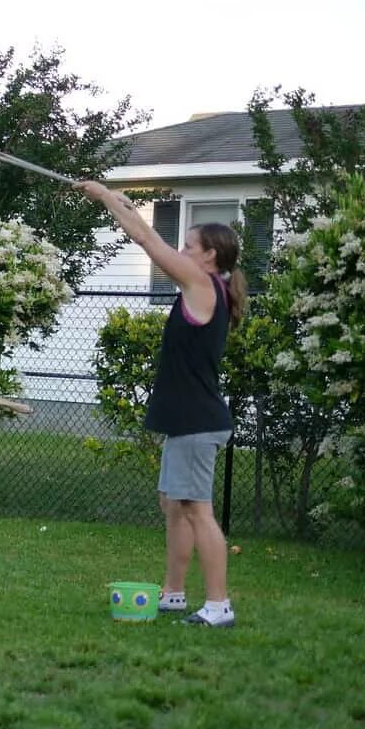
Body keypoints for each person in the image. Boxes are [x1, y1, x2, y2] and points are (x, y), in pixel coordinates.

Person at [75, 181, 248, 627]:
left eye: (190, 245)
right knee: (173, 505)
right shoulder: (204, 283)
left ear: (210, 255)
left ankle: (218, 605)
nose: (183, 250)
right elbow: (147, 233)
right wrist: (123, 204)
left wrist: (106, 197)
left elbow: (147, 239)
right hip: (186, 418)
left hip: (196, 420)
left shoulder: (202, 283)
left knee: (197, 511)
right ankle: (172, 593)